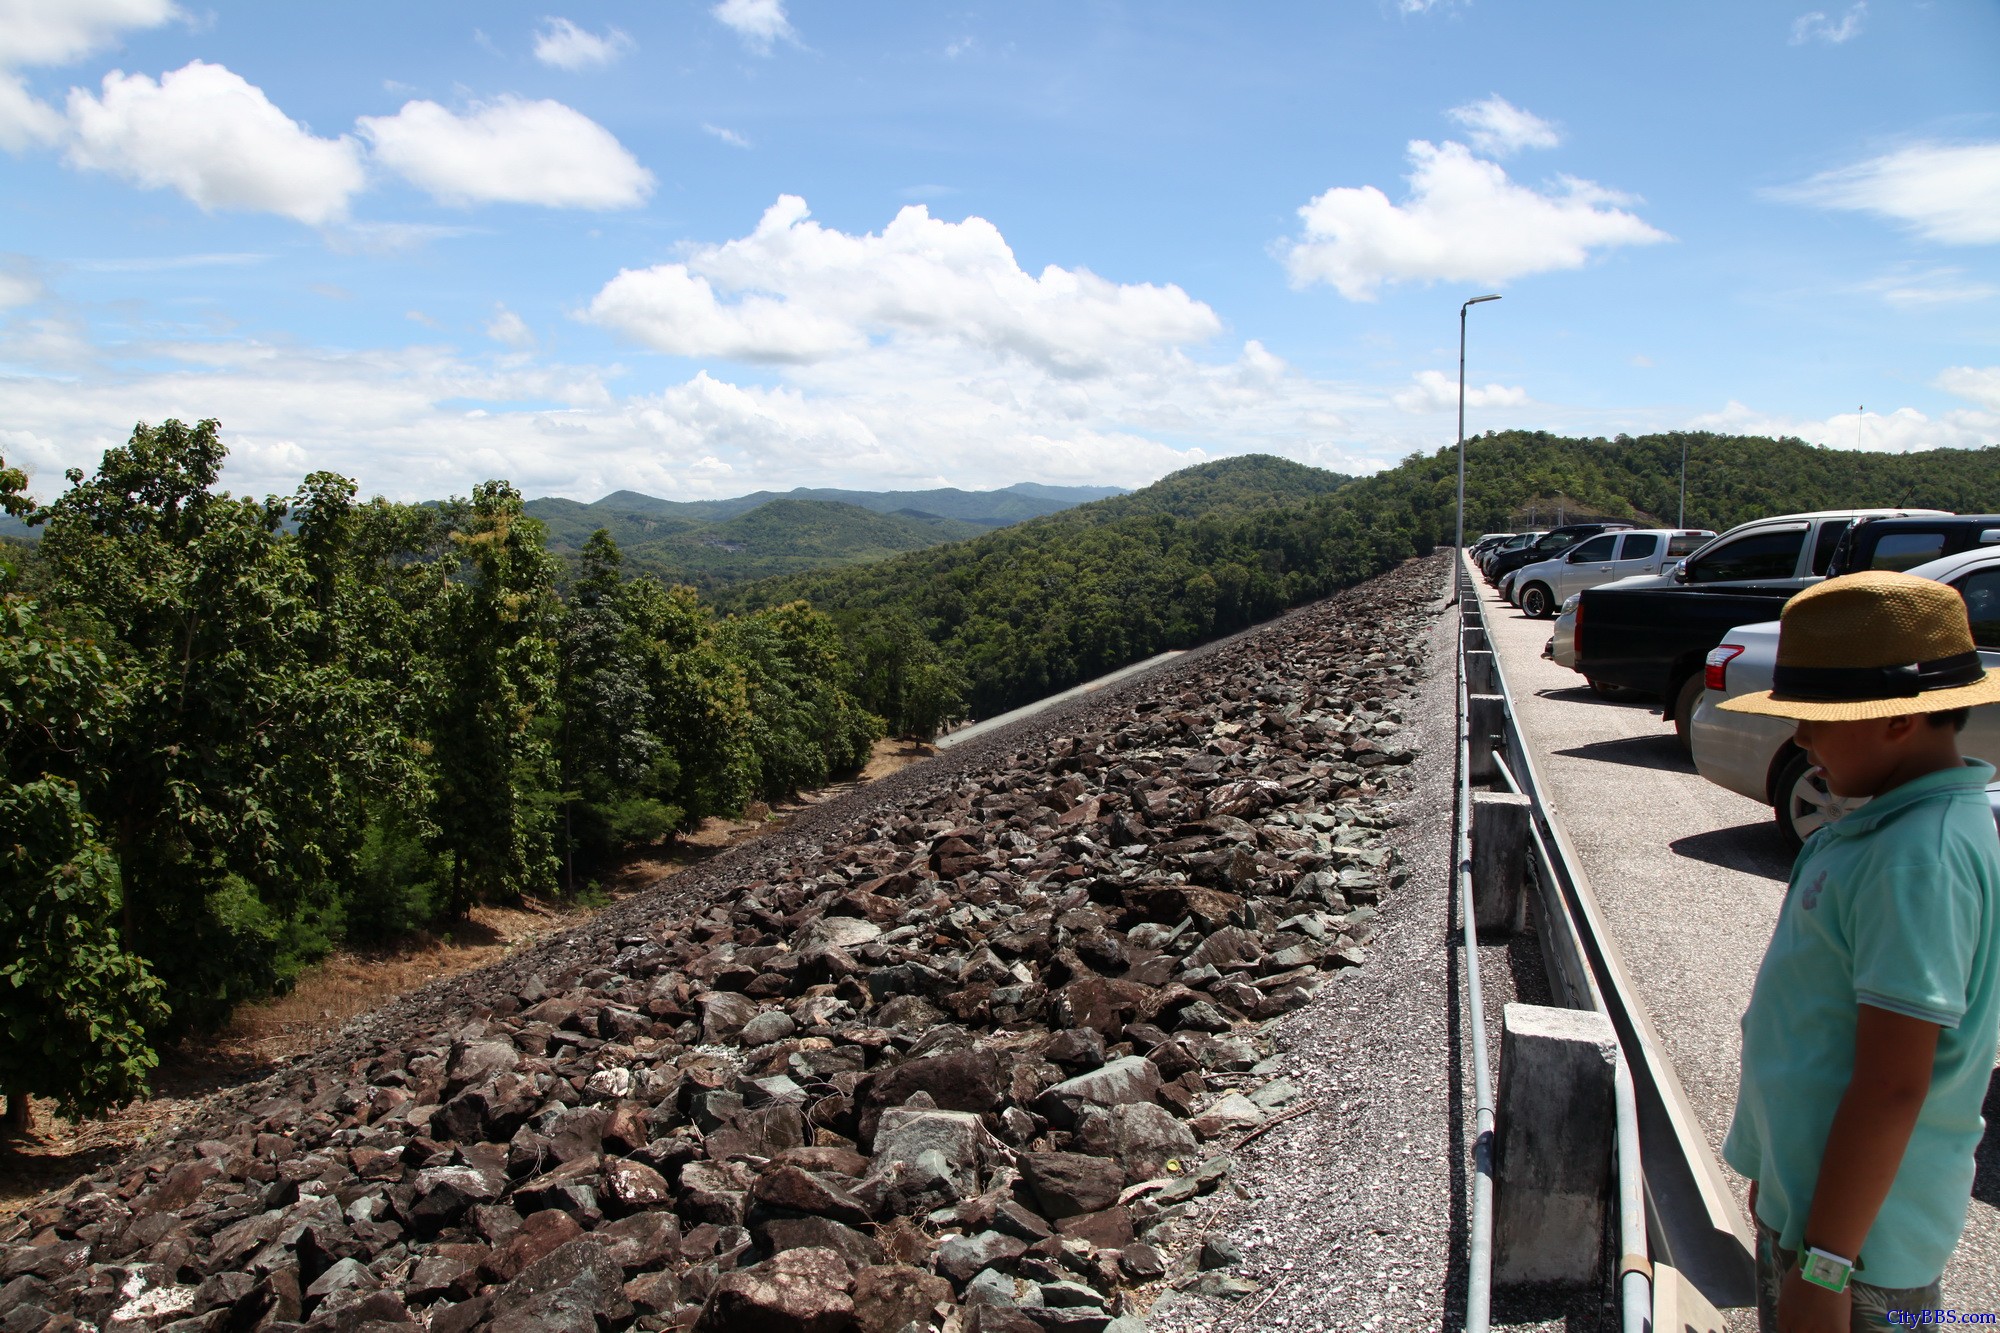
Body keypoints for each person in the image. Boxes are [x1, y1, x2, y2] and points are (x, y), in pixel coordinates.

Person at [1718, 571, 2000, 1332]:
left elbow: (1892, 1084)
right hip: (1819, 1214)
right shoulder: (1890, 828)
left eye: (1817, 718)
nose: (1801, 737)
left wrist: (1825, 1262)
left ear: (1898, 721)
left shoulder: (1919, 858)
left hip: (1856, 1254)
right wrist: (1780, 1182)